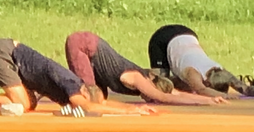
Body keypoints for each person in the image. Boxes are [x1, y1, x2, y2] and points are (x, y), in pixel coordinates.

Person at [0, 38, 154, 114]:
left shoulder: (76, 87)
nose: (82, 103)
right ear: (83, 92)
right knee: (22, 104)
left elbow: (97, 104)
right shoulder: (72, 85)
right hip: (4, 52)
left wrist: (131, 109)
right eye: (85, 99)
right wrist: (130, 109)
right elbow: (89, 107)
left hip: (15, 56)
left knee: (28, 104)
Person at [64, 31, 218, 105]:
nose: (147, 98)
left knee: (100, 98)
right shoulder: (138, 77)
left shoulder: (150, 80)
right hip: (83, 45)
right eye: (150, 95)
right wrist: (201, 103)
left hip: (91, 50)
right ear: (152, 83)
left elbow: (176, 94)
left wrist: (209, 99)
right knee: (89, 96)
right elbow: (163, 97)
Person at [147, 24, 254, 99]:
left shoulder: (221, 71)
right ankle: (142, 77)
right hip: (162, 38)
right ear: (208, 83)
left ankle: (167, 78)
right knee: (160, 84)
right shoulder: (192, 72)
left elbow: (244, 88)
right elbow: (201, 90)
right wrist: (225, 96)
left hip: (187, 34)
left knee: (185, 87)